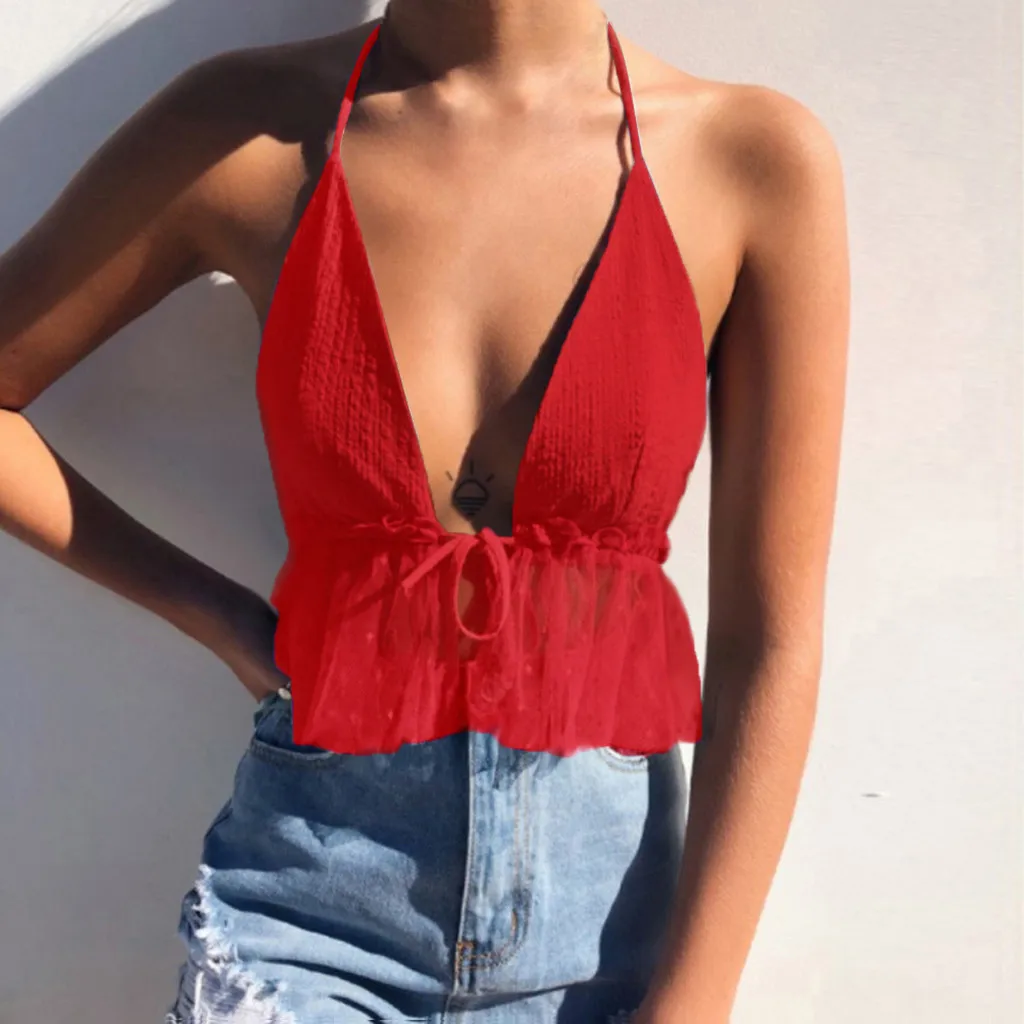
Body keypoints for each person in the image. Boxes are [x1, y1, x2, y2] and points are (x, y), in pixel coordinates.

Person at [0, 0, 849, 1021]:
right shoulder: (243, 126)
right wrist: (217, 615)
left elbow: (769, 641)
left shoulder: (750, 158)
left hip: (612, 943)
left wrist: (692, 1002)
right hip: (305, 926)